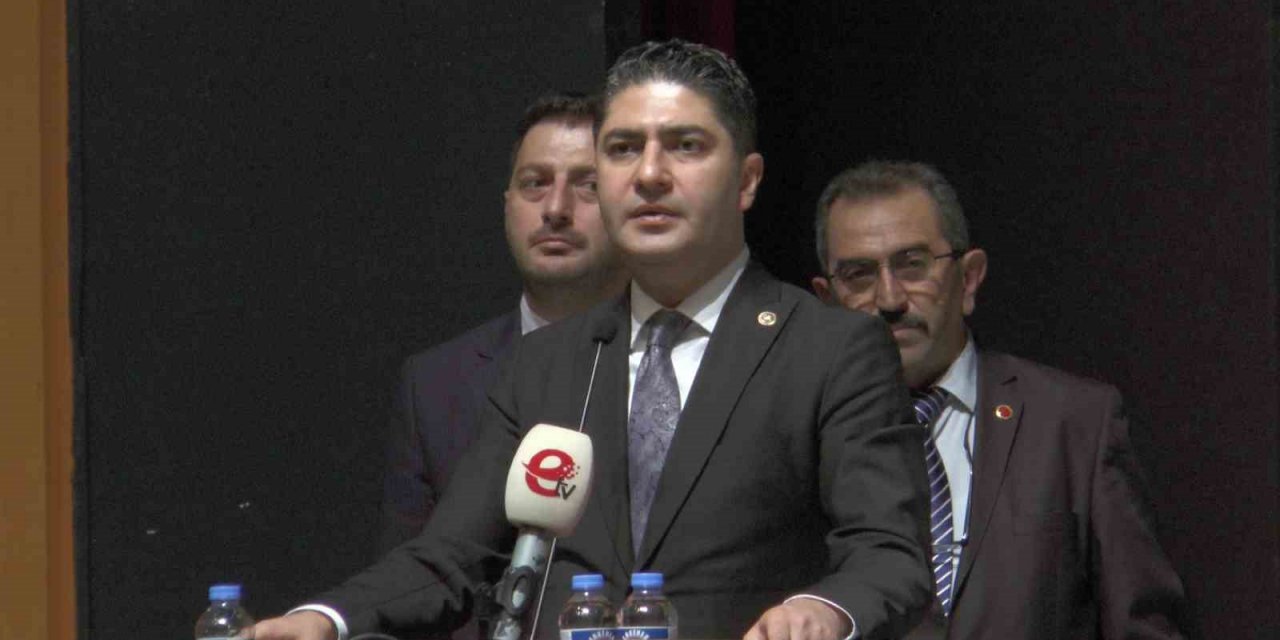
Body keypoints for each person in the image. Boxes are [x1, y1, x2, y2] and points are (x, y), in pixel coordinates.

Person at [254, 41, 932, 640]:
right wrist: (326, 618)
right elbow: (450, 557)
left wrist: (823, 610)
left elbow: (889, 554)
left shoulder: (830, 348)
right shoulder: (547, 363)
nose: (649, 175)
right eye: (623, 148)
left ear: (748, 181)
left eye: (686, 146)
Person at [810, 161, 1192, 639]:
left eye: (913, 264)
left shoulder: (1073, 424)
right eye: (859, 275)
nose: (889, 298)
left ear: (969, 279)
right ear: (826, 301)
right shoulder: (797, 443)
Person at [378, 92, 628, 555]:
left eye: (589, 186)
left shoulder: (670, 363)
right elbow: (406, 573)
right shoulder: (433, 384)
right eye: (535, 183)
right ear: (507, 204)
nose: (556, 208)